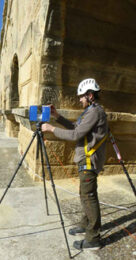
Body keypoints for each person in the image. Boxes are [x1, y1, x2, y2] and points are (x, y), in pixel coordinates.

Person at [41, 78, 108, 250]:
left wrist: (51, 129)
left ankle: (93, 239)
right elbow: (76, 128)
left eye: (81, 97)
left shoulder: (94, 112)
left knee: (89, 197)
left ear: (90, 95)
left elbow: (75, 135)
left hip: (89, 161)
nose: (79, 100)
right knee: (85, 194)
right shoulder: (91, 111)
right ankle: (86, 225)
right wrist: (57, 117)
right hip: (86, 159)